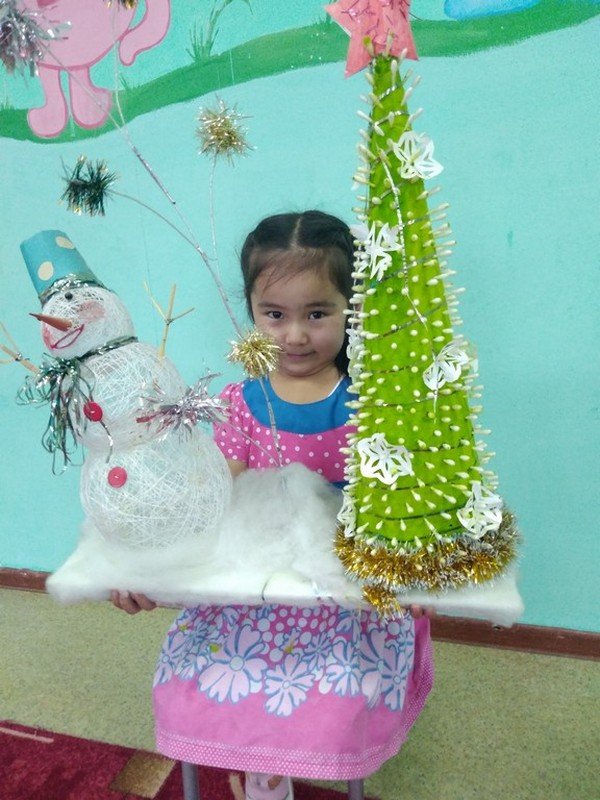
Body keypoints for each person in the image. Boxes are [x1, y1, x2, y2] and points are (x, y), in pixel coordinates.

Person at [112, 210, 434, 800]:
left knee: (333, 708)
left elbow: (404, 504)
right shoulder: (241, 403)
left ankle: (277, 767)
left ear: (352, 311)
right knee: (188, 691)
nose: (295, 335)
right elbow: (210, 502)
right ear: (252, 313)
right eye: (275, 315)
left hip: (343, 603)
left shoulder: (373, 403)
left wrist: (413, 566)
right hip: (250, 597)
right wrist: (145, 567)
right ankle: (265, 778)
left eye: (318, 313)